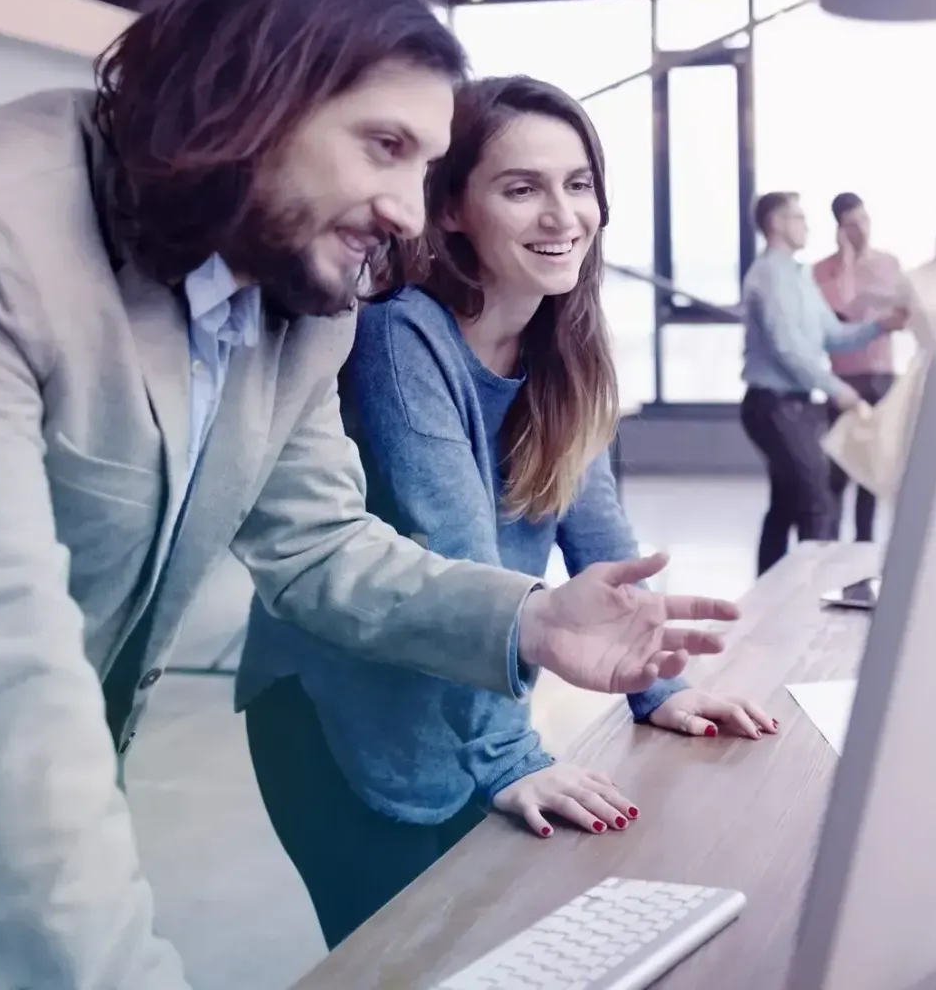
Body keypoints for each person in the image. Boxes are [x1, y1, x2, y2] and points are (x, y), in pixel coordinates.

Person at [0, 0, 737, 990]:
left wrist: (531, 616)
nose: (410, 213)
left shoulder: (300, 288)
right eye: (384, 148)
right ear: (248, 97)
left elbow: (321, 544)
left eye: (425, 169)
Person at [237, 75, 780, 949]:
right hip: (343, 721)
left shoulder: (563, 338)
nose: (561, 215)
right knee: (405, 966)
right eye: (521, 188)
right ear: (450, 209)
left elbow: (601, 537)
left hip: (463, 699)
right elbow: (456, 547)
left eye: (577, 184)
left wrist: (661, 681)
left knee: (491, 948)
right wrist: (510, 756)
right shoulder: (399, 333)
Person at [741, 191, 908, 574]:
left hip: (796, 404)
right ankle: (813, 593)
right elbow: (788, 350)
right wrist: (838, 389)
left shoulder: (799, 277)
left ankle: (767, 593)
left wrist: (881, 325)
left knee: (786, 501)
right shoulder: (768, 276)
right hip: (774, 405)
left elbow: (833, 336)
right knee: (818, 499)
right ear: (777, 224)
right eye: (799, 217)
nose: (807, 225)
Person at [811, 192, 904, 543]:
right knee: (838, 471)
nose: (861, 230)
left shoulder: (890, 264)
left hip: (882, 377)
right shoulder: (822, 272)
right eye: (851, 224)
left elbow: (902, 316)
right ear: (839, 229)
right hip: (844, 381)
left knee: (871, 470)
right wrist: (847, 263)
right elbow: (843, 314)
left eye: (864, 220)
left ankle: (865, 545)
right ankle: (830, 547)